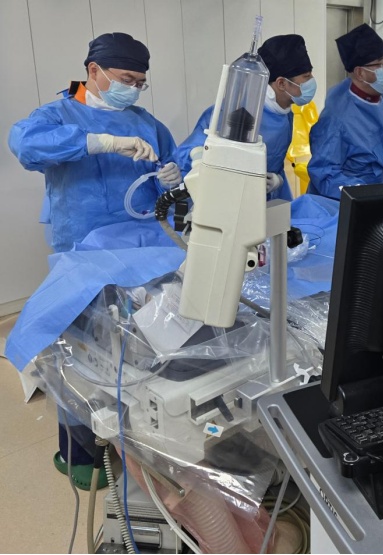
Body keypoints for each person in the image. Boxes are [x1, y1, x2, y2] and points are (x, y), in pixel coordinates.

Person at [7, 32, 181, 489]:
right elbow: (25, 144)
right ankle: (80, 453)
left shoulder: (146, 123)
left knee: (137, 348)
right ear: (93, 71)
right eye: (126, 79)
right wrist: (97, 142)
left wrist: (173, 177)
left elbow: (166, 180)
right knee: (79, 352)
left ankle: (139, 443)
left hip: (139, 250)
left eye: (140, 83)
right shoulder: (57, 115)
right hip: (83, 251)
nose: (133, 89)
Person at [176, 34, 315, 201]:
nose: (312, 81)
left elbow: (274, 164)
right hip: (227, 199)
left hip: (266, 200)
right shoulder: (237, 112)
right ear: (281, 83)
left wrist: (277, 180)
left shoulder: (285, 114)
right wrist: (199, 160)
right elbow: (187, 152)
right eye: (306, 76)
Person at [306, 23, 383, 200]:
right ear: (360, 73)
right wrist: (360, 193)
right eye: (381, 64)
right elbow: (325, 174)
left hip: (373, 193)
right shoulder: (337, 116)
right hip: (339, 200)